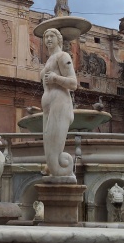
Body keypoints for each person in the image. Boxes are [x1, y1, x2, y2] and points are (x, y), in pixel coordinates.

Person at [40, 28, 77, 179]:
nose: (48, 39)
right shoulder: (49, 59)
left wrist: (56, 78)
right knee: (49, 152)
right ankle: (57, 175)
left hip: (60, 105)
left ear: (59, 39)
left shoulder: (63, 56)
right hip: (49, 108)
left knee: (54, 155)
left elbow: (74, 84)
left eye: (51, 36)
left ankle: (64, 174)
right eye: (46, 36)